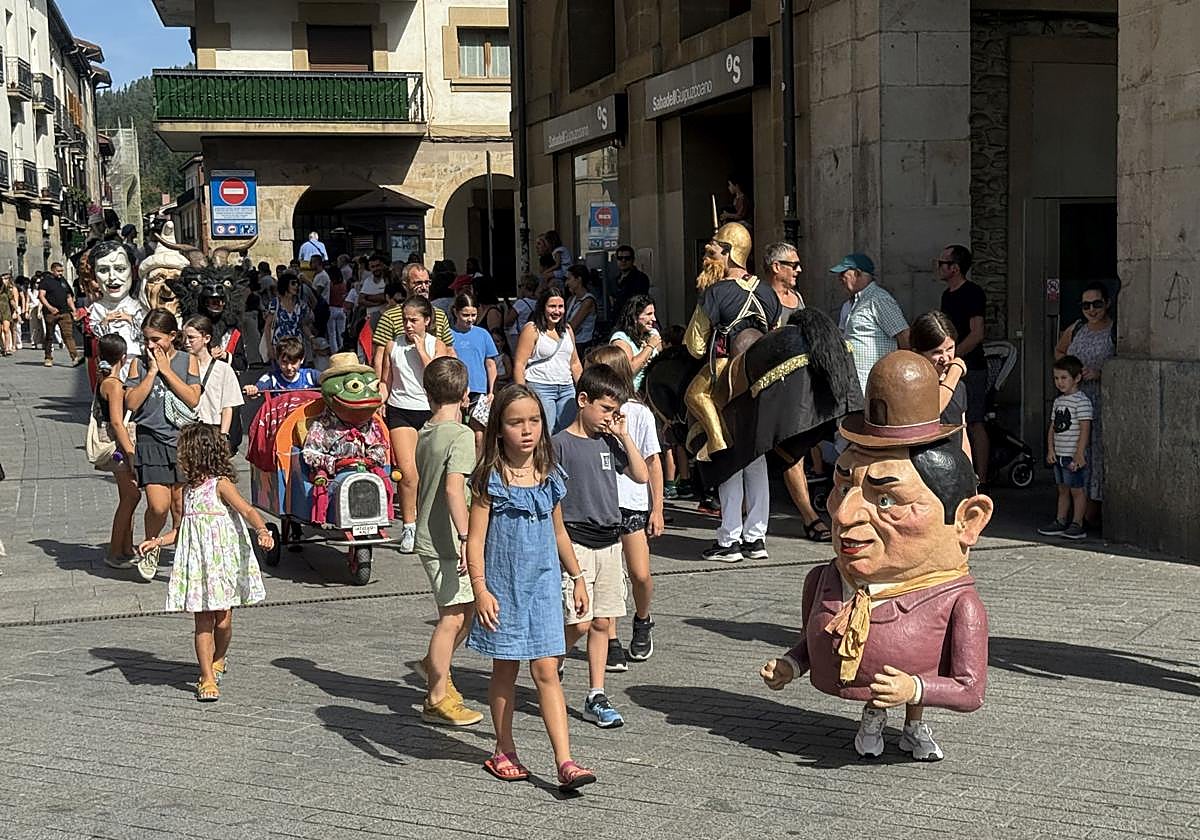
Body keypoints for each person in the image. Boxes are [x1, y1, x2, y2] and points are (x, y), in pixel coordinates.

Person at [761, 350, 993, 762]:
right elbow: (808, 647)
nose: (844, 515)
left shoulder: (958, 603)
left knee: (907, 687)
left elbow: (970, 689)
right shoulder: (825, 581)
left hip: (916, 689)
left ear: (968, 521)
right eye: (843, 488)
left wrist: (915, 689)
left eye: (886, 498)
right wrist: (792, 665)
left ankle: (914, 723)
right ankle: (874, 718)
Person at [465, 385, 596, 792]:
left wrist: (576, 577)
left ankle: (565, 762)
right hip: (502, 589)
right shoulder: (490, 478)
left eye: (534, 421)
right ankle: (504, 748)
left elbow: (558, 532)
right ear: (498, 429)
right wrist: (481, 589)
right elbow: (474, 539)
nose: (527, 430)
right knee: (505, 668)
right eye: (515, 422)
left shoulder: (550, 475)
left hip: (541, 589)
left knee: (546, 671)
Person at [138, 423, 270, 702]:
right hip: (198, 566)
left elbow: (246, 509)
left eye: (183, 453)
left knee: (223, 621)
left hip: (222, 563)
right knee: (203, 621)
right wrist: (157, 541)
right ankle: (207, 677)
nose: (179, 459)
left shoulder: (220, 484)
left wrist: (262, 531)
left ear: (196, 455)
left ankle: (220, 657)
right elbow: (184, 528)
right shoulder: (187, 491)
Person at [554, 364, 649, 728]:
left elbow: (640, 476)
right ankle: (555, 660)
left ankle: (596, 693)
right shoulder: (560, 444)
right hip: (576, 540)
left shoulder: (610, 441)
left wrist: (624, 436)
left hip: (610, 540)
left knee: (603, 621)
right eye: (606, 410)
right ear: (583, 401)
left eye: (616, 411)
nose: (611, 417)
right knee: (577, 621)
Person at [683, 223, 779, 561]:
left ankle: (729, 540)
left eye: (717, 250)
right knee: (757, 458)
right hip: (764, 379)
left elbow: (695, 346)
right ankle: (757, 538)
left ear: (730, 253)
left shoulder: (716, 292)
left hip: (725, 375)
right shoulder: (768, 292)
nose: (712, 256)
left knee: (728, 458)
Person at [411, 357, 484, 727]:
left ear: (428, 394)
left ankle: (433, 667)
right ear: (466, 395)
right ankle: (436, 696)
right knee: (453, 617)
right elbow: (456, 489)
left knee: (464, 611)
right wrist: (466, 536)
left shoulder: (427, 431)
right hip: (447, 540)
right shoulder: (461, 435)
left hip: (433, 535)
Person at [585, 346, 662, 669]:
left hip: (633, 503)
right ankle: (610, 637)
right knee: (610, 576)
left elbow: (652, 462)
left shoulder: (639, 413)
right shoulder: (590, 414)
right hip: (603, 504)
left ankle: (642, 619)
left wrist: (657, 507)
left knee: (640, 574)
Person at [124, 309, 202, 583]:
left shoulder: (187, 360)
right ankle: (151, 545)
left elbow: (193, 398)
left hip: (182, 440)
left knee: (181, 505)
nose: (151, 345)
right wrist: (153, 371)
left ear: (172, 336)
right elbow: (131, 403)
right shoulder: (138, 364)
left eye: (156, 339)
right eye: (146, 339)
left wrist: (167, 371)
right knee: (159, 505)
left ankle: (185, 555)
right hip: (151, 440)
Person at [381, 295, 453, 553]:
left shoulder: (438, 344)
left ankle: (429, 526)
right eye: (405, 320)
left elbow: (436, 375)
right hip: (400, 409)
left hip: (430, 410)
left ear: (427, 320)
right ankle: (408, 527)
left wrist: (421, 349)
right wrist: (379, 401)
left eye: (414, 320)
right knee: (408, 472)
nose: (408, 326)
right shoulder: (393, 346)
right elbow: (385, 382)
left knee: (432, 474)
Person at [1054, 281, 1115, 525]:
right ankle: (1074, 509)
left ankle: (1093, 506)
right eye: (1086, 305)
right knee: (1073, 449)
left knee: (1094, 451)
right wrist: (1071, 372)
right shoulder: (1077, 328)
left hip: (1099, 401)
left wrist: (1100, 373)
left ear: (1107, 303)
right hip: (1074, 400)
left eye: (1097, 304)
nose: (1091, 309)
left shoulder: (1114, 330)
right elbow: (1059, 352)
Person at [937, 245, 988, 481]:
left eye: (942, 263)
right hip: (951, 368)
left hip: (972, 368)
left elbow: (977, 333)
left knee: (974, 421)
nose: (938, 267)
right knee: (951, 421)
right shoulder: (947, 296)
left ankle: (982, 480)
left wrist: (955, 358)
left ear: (955, 268)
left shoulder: (973, 292)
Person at [832, 253, 910, 394]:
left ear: (857, 273)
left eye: (843, 273)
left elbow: (903, 335)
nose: (840, 278)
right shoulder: (850, 304)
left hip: (876, 385)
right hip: (856, 385)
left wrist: (906, 374)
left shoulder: (878, 300)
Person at [94, 334, 140, 568]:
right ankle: (114, 551)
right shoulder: (113, 385)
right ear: (123, 357)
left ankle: (125, 547)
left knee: (128, 497)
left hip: (119, 448)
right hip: (119, 449)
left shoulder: (105, 380)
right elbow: (116, 422)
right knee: (132, 496)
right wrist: (130, 451)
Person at [1037, 355, 1093, 540]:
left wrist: (1079, 453)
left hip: (1073, 455)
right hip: (1059, 454)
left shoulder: (1082, 401)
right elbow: (1052, 428)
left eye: (1064, 378)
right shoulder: (1058, 401)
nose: (1059, 382)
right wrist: (1051, 450)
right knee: (1062, 488)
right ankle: (1060, 520)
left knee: (1077, 489)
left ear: (1076, 378)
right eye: (1056, 378)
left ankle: (1077, 523)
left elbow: (1085, 429)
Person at [513, 286, 582, 434]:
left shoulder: (568, 330)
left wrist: (583, 386)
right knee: (547, 432)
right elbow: (519, 364)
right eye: (552, 306)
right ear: (543, 307)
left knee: (568, 432)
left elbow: (575, 363)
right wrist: (522, 394)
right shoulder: (532, 329)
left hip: (567, 387)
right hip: (540, 386)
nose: (557, 311)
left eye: (560, 307)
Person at [910, 311, 971, 460]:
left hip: (955, 472)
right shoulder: (911, 387)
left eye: (950, 349)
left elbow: (963, 433)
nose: (946, 358)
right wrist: (955, 373)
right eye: (937, 352)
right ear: (918, 353)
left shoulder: (959, 386)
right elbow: (932, 412)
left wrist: (970, 475)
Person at [450, 292, 499, 452]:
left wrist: (491, 391)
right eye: (465, 315)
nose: (470, 319)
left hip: (479, 391)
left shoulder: (483, 334)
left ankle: (478, 471)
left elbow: (490, 364)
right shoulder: (449, 335)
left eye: (473, 315)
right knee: (456, 434)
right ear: (456, 312)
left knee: (479, 435)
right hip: (456, 390)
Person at [184, 315, 244, 445]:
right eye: (185, 337)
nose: (186, 342)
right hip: (189, 429)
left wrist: (223, 435)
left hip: (213, 429)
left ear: (206, 338)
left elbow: (228, 406)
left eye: (191, 338)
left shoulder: (224, 369)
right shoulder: (182, 367)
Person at [609, 294, 662, 392]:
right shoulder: (621, 339)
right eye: (649, 314)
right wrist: (650, 346)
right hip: (632, 394)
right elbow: (630, 370)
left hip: (654, 392)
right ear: (634, 317)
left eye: (654, 314)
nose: (654, 319)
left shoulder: (653, 334)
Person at [242, 337, 320, 397]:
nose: (289, 367)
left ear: (302, 360)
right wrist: (252, 389)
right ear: (277, 359)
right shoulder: (271, 378)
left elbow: (328, 381)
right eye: (284, 362)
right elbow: (257, 389)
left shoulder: (311, 375)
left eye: (293, 362)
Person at [39, 262, 81, 367]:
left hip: (64, 312)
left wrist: (74, 309)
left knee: (68, 335)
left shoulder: (63, 281)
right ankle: (48, 357)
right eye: (58, 271)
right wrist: (50, 307)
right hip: (50, 313)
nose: (61, 273)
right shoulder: (46, 282)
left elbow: (69, 297)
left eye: (62, 271)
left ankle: (75, 357)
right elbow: (41, 296)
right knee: (49, 335)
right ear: (53, 270)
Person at [263, 272, 313, 359]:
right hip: (279, 345)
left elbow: (303, 325)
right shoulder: (276, 303)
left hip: (297, 346)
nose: (296, 286)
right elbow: (268, 326)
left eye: (297, 283)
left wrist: (311, 337)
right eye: (293, 283)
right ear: (285, 285)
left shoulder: (301, 305)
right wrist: (269, 348)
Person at [564, 265, 598, 355]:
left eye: (569, 279)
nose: (566, 283)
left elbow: (573, 325)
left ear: (578, 279)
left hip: (582, 345)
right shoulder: (571, 299)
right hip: (571, 342)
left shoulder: (588, 301)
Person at [611, 245, 650, 318]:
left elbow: (639, 302)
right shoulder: (615, 280)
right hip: (617, 320)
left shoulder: (640, 278)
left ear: (633, 260)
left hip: (633, 319)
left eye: (627, 258)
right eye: (620, 258)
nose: (623, 261)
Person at [504, 274, 539, 354]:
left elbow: (508, 321)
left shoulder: (521, 303)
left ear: (525, 287)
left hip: (518, 334)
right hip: (532, 333)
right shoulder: (538, 302)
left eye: (520, 286)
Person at [0, 272, 16, 356]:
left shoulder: (6, 289)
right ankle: (2, 347)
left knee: (6, 329)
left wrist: (16, 311)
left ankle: (7, 348)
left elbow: (12, 300)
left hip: (6, 311)